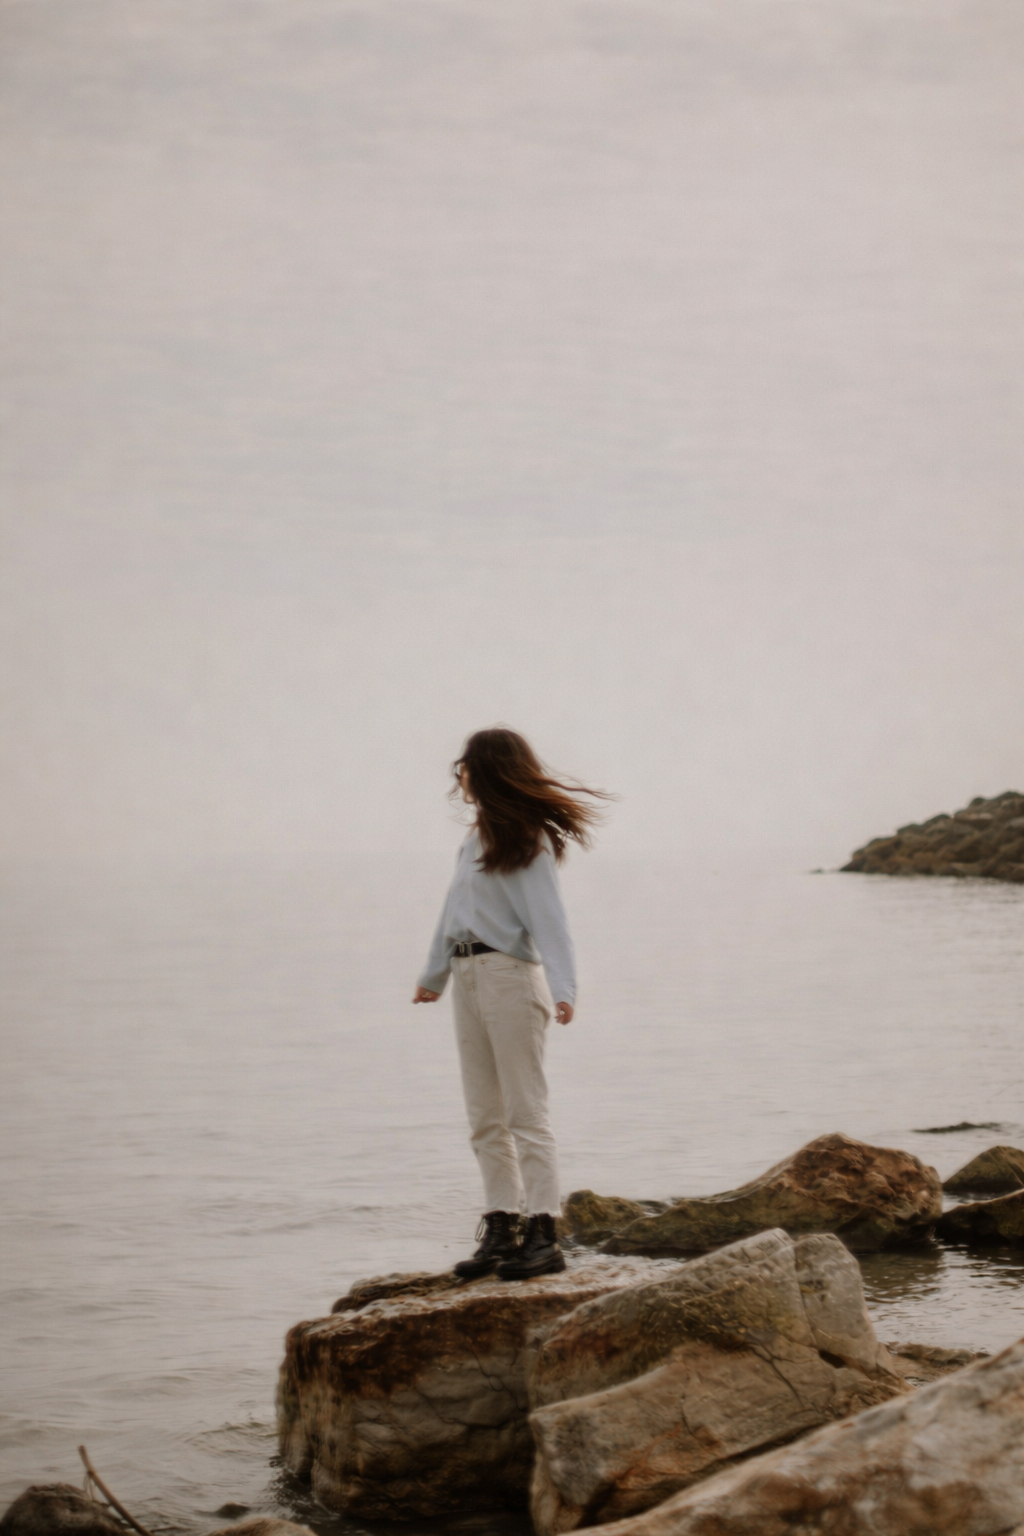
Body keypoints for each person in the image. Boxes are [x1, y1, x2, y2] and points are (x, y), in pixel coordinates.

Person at [413, 727, 608, 1281]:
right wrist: (434, 976)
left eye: (466, 765)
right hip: (467, 976)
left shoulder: (527, 838)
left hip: (509, 979)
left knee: (526, 1113)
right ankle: (501, 1227)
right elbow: (451, 914)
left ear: (488, 770)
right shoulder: (474, 838)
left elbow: (550, 920)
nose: (461, 774)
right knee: (483, 1116)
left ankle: (543, 1234)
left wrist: (565, 988)